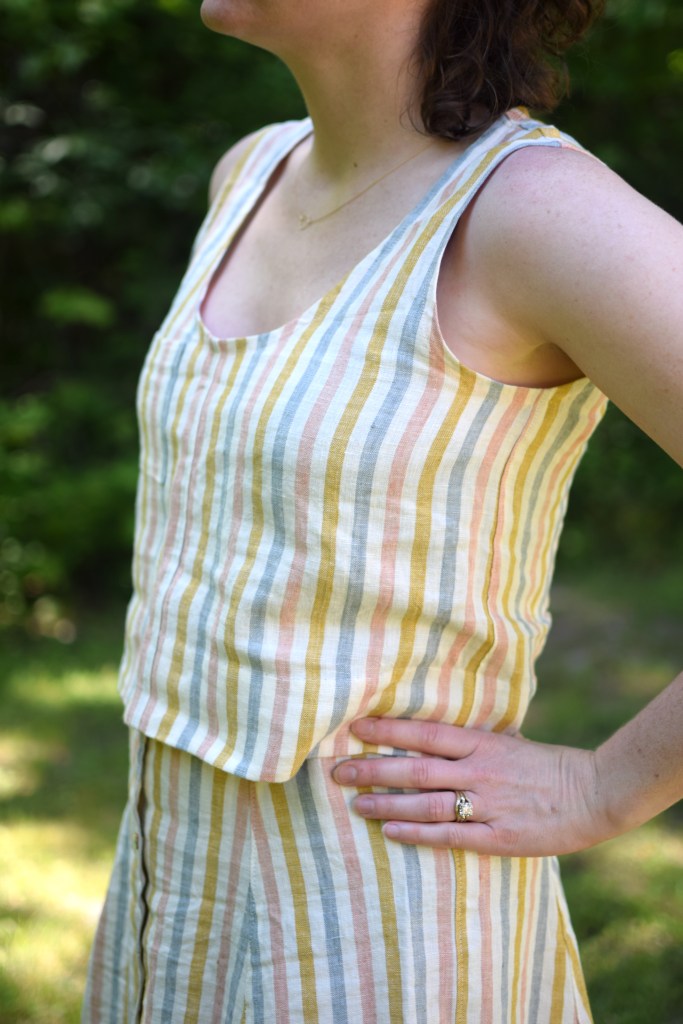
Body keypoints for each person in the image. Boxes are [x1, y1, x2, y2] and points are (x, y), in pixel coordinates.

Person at [82, 0, 683, 1021]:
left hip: (378, 926)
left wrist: (602, 786)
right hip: (166, 899)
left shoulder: (527, 209)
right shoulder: (252, 171)